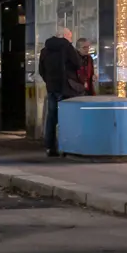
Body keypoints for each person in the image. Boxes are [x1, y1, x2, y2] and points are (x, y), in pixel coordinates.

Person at [38, 27, 84, 157]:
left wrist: (49, 81)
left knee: (52, 117)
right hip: (66, 88)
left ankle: (50, 147)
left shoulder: (45, 50)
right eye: (70, 36)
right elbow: (78, 63)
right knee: (67, 117)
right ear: (64, 36)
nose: (71, 38)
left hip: (52, 88)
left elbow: (41, 70)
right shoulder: (67, 47)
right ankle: (66, 146)